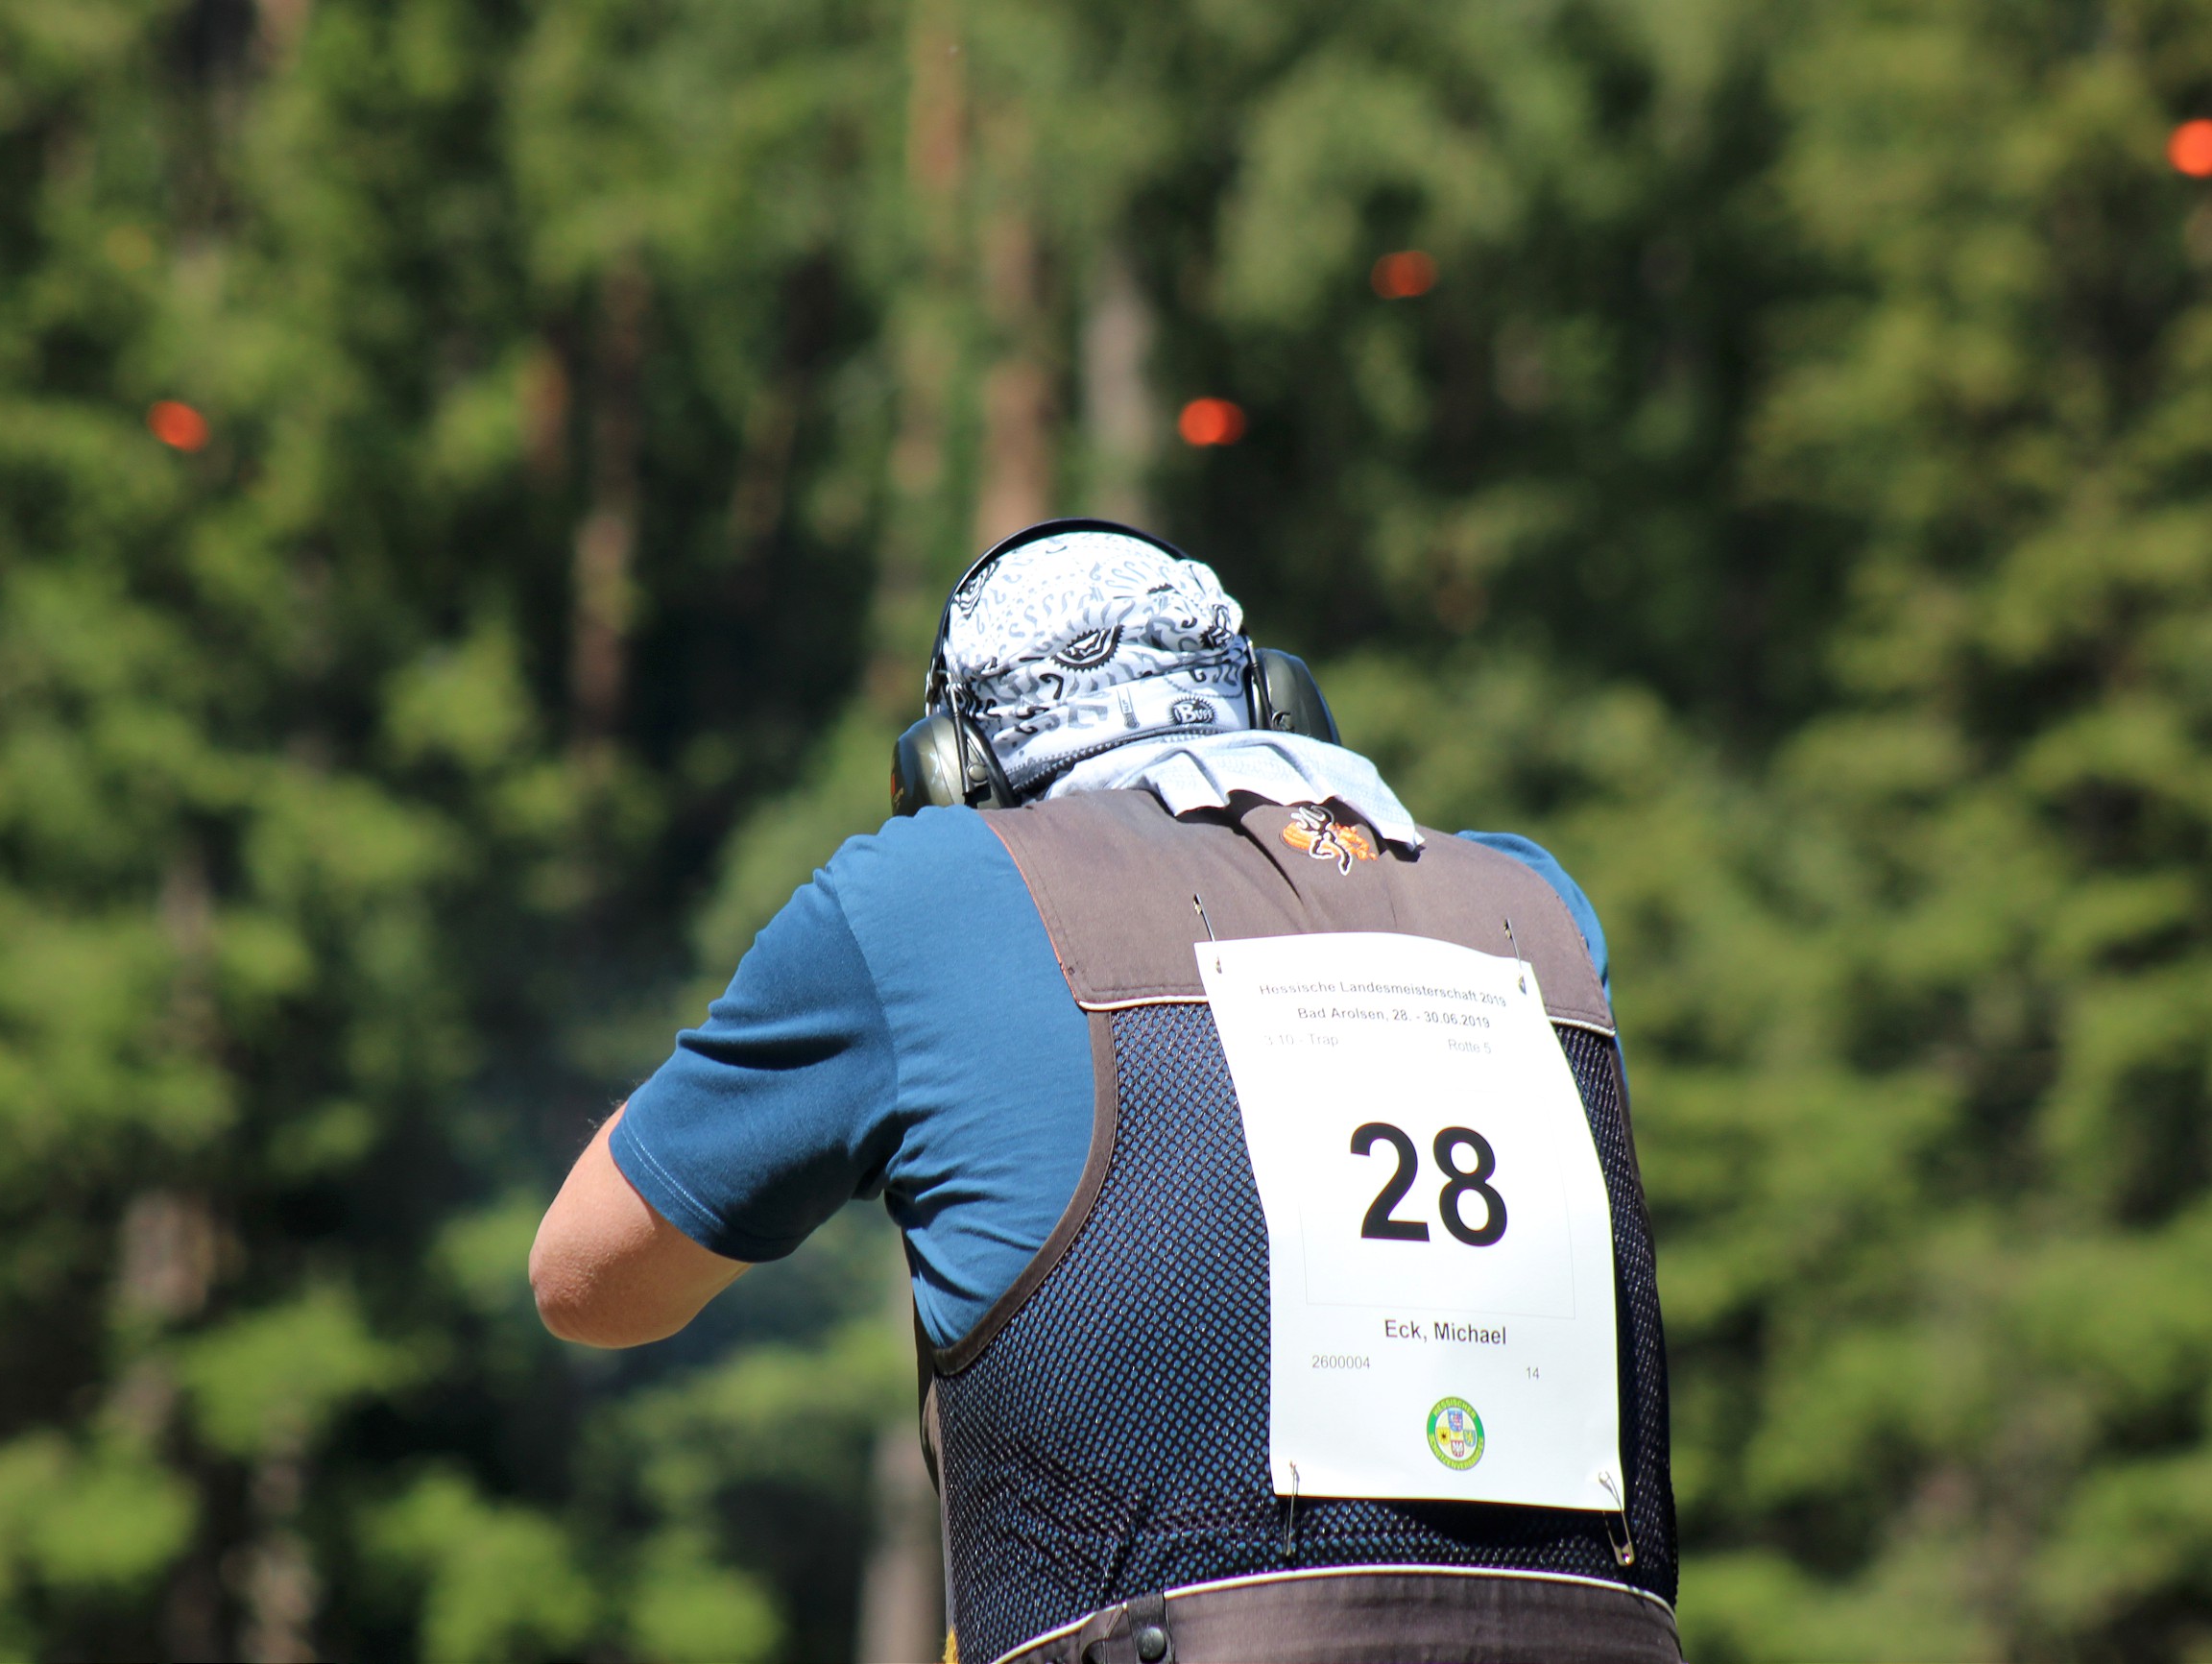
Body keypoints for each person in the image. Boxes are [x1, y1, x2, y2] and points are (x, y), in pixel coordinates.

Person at [532, 520, 1679, 1664]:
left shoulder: (926, 889)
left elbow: (584, 1280)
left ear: (950, 771)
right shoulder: (1536, 904)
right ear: (1275, 703)